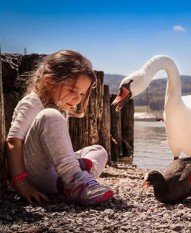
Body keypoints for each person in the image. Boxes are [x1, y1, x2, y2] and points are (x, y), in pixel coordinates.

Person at [6, 49, 114, 205]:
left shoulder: (60, 108)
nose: (78, 98)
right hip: (35, 175)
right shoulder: (32, 103)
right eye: (72, 90)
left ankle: (74, 179)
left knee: (99, 151)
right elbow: (13, 142)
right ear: (49, 81)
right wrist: (21, 184)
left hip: (55, 174)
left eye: (82, 94)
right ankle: (76, 180)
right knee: (50, 115)